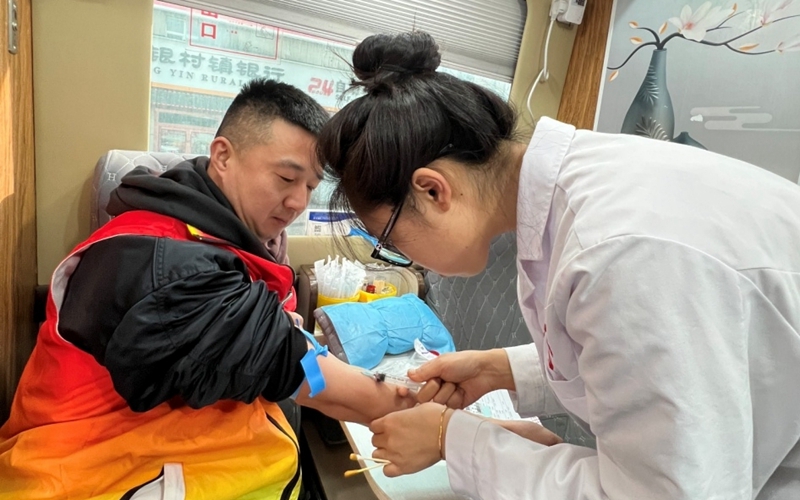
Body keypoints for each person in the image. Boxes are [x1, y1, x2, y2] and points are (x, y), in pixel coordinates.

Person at [317, 31, 800, 500]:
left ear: (432, 190)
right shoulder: (584, 185)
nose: (406, 258)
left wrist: (453, 439)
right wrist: (501, 369)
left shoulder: (616, 252)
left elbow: (665, 492)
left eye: (391, 240)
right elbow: (634, 362)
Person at [0, 79, 417, 500]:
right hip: (92, 477)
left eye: (310, 187)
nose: (297, 202)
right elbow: (291, 365)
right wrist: (426, 416)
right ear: (223, 156)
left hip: (188, 460)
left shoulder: (222, 236)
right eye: (286, 178)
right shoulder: (161, 260)